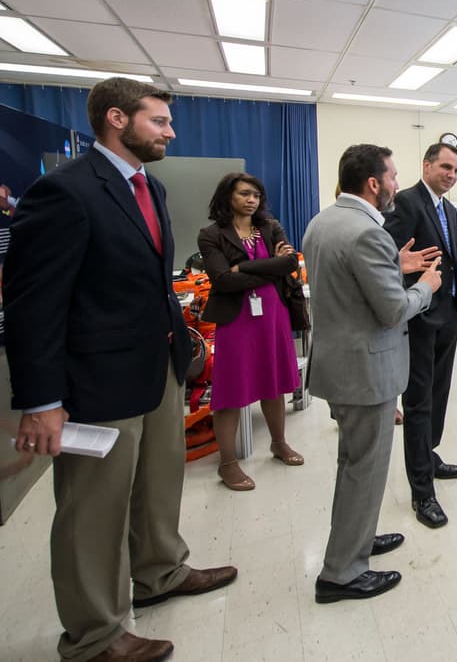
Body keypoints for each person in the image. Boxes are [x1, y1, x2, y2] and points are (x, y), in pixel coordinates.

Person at [4, 77, 237, 662]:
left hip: (158, 365)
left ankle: (159, 570)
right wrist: (41, 401)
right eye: (159, 121)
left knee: (161, 478)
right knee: (94, 508)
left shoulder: (149, 189)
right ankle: (95, 635)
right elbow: (33, 305)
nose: (170, 131)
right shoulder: (64, 192)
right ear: (116, 118)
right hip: (96, 380)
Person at [301, 144, 441, 604]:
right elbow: (392, 311)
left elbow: (348, 285)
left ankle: (356, 541)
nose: (397, 185)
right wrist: (425, 286)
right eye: (394, 177)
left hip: (339, 367)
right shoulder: (367, 233)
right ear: (373, 183)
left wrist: (394, 266)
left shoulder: (322, 222)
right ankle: (342, 572)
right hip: (366, 371)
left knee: (352, 463)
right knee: (365, 469)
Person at [197, 172, 303, 492]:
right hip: (236, 319)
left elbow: (290, 264)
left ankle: (278, 443)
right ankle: (227, 463)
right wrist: (270, 267)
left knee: (274, 384)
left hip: (273, 314)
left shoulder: (270, 228)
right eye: (244, 193)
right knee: (230, 392)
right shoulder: (211, 234)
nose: (251, 199)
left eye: (256, 194)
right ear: (227, 196)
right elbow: (222, 281)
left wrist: (243, 268)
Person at [382, 142, 457, 530]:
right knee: (417, 402)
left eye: (456, 170)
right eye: (445, 167)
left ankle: (428, 455)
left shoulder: (449, 208)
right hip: (418, 317)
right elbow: (390, 261)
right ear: (427, 165)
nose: (451, 175)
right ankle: (422, 491)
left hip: (447, 313)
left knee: (438, 393)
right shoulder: (406, 202)